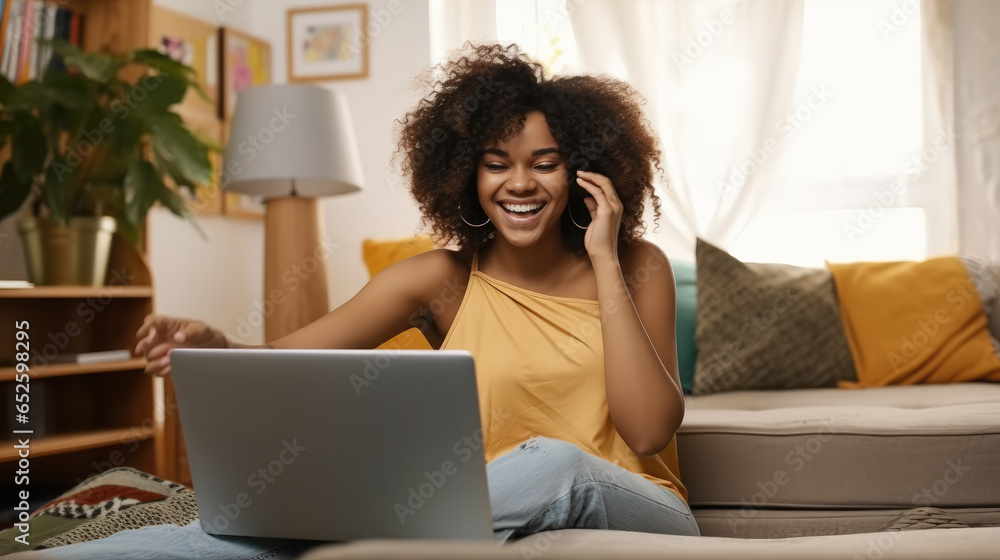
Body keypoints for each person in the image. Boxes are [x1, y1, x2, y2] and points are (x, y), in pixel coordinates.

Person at [30, 43, 697, 559]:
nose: (518, 182)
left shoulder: (637, 265)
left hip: (633, 503)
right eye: (497, 162)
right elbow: (287, 364)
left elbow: (646, 430)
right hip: (487, 518)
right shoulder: (438, 279)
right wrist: (219, 348)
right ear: (466, 172)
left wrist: (605, 255)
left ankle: (358, 537)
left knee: (556, 463)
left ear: (582, 170)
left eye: (544, 162)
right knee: (241, 535)